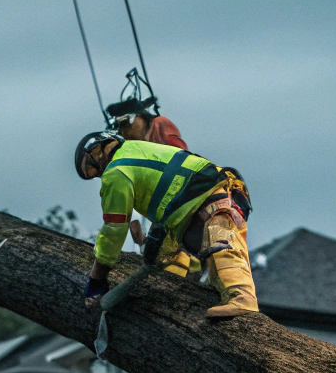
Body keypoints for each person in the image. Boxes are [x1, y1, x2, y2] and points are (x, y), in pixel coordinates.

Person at [74, 130, 258, 318]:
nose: (97, 174)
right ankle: (193, 292)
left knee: (220, 246)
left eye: (90, 166)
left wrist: (97, 277)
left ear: (100, 148)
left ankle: (242, 299)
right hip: (191, 207)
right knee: (166, 258)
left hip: (210, 198)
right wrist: (153, 246)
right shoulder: (137, 149)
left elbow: (114, 228)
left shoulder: (116, 171)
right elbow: (169, 190)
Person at [106, 100, 195, 277]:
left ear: (139, 117)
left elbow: (182, 158)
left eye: (125, 123)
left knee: (173, 251)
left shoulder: (159, 125)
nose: (123, 131)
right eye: (118, 127)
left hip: (176, 204)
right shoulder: (134, 147)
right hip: (157, 209)